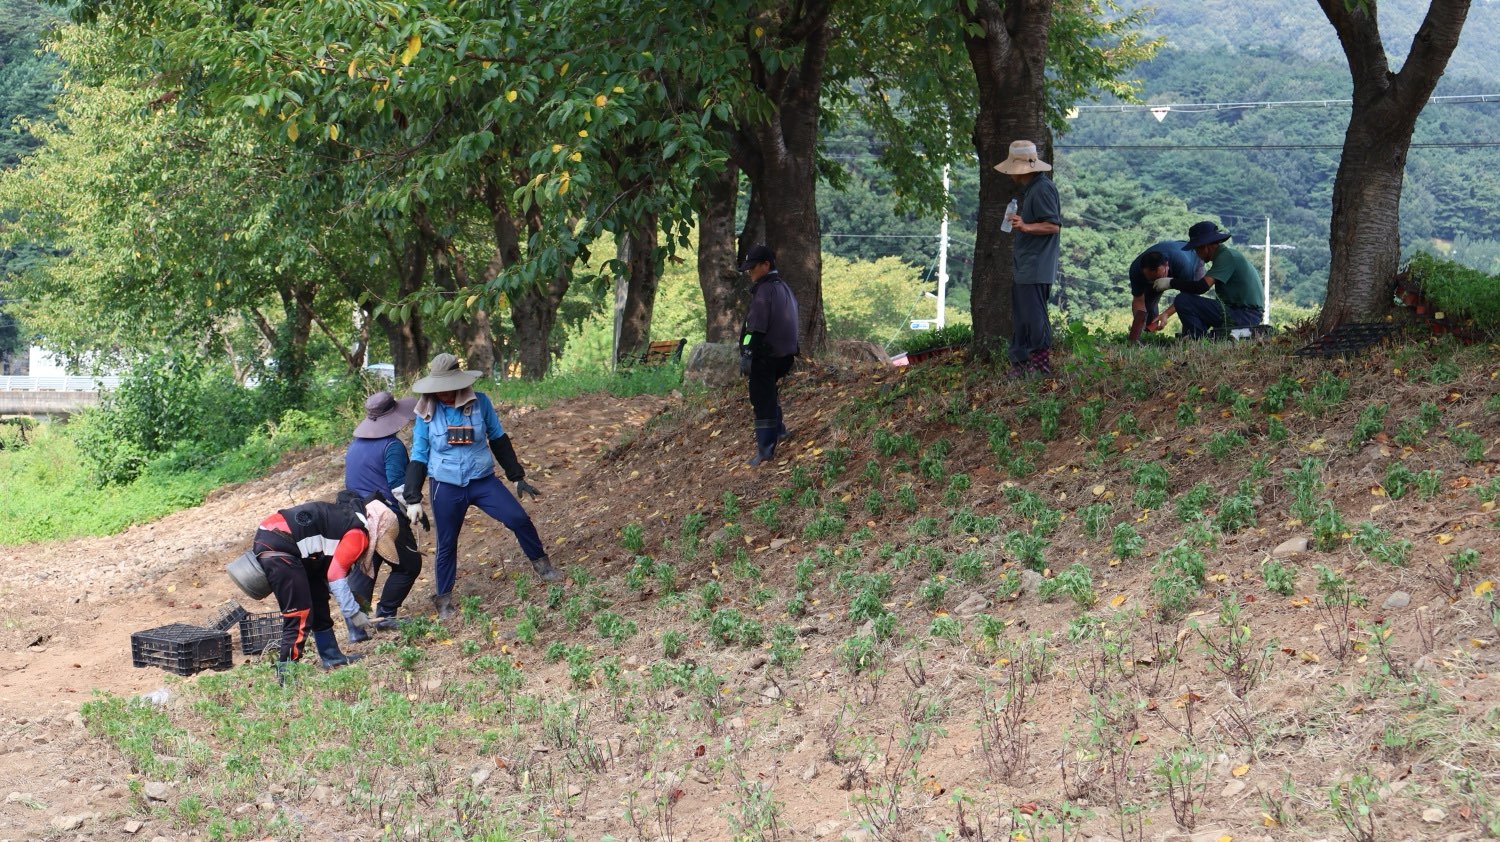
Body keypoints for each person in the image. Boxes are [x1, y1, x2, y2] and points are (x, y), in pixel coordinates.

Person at [401, 353, 561, 620]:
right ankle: (444, 601)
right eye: (438, 389)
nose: (443, 394)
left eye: (448, 388)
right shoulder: (426, 412)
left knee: (518, 518)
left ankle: (543, 566)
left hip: (482, 480)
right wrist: (413, 498)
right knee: (446, 544)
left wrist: (517, 476)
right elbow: (419, 454)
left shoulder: (480, 403)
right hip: (446, 486)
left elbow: (498, 438)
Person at [252, 491, 398, 675]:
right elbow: (336, 575)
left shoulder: (345, 519)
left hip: (289, 546)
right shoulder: (358, 533)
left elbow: (328, 571)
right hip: (280, 545)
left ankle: (332, 657)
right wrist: (354, 613)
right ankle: (287, 675)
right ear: (378, 529)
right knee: (299, 613)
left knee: (318, 598)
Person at [344, 390, 425, 634]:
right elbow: (398, 486)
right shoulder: (392, 446)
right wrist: (413, 507)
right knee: (409, 564)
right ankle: (386, 614)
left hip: (356, 514)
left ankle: (355, 627)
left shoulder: (355, 446)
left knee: (366, 566)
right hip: (385, 515)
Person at [996, 139, 1062, 375]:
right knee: (1023, 316)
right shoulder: (1032, 189)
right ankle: (1021, 364)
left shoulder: (1042, 189)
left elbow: (1053, 226)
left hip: (1036, 265)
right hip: (1026, 265)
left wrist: (1025, 226)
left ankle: (1040, 365)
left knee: (1034, 317)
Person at [1148, 221, 1265, 338]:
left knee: (1183, 300)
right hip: (1240, 313)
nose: (1196, 254)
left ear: (1205, 247)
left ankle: (1197, 338)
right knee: (1193, 304)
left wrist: (1170, 282)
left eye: (1196, 249)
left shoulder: (1227, 257)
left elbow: (1201, 287)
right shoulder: (1225, 256)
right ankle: (1195, 335)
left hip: (1245, 315)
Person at [738, 244, 799, 466]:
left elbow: (754, 329)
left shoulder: (764, 291)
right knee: (770, 394)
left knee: (761, 399)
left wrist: (747, 353)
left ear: (766, 265)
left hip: (766, 356)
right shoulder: (784, 287)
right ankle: (780, 432)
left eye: (753, 267)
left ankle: (765, 451)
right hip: (786, 355)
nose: (749, 272)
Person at [1126, 241, 1206, 343]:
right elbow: (1138, 300)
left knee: (1191, 302)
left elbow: (1187, 296)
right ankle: (1147, 336)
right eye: (1151, 279)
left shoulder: (1183, 265)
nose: (1156, 281)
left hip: (1193, 260)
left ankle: (1190, 336)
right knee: (1148, 304)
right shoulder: (1135, 270)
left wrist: (1166, 314)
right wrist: (1137, 328)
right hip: (1172, 257)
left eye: (1158, 278)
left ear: (1166, 265)